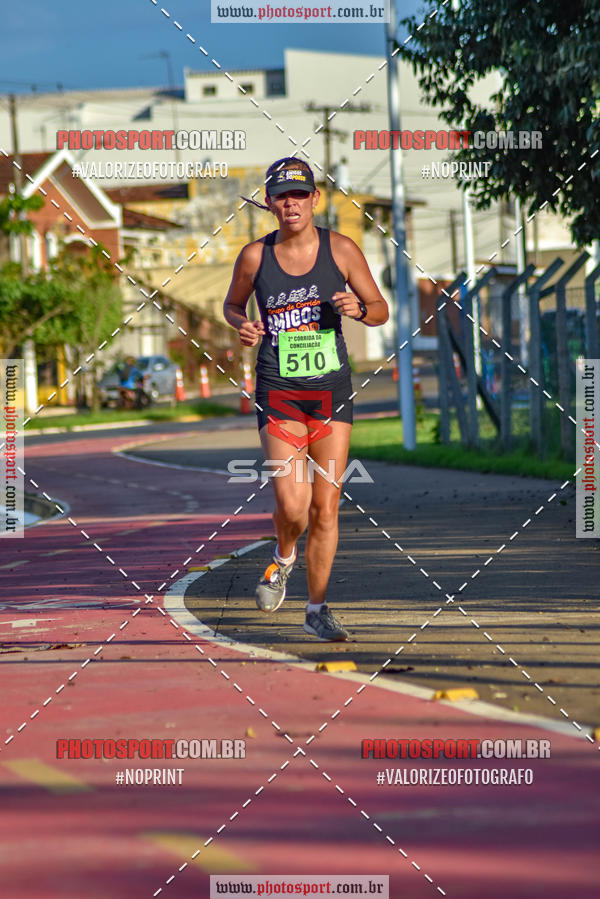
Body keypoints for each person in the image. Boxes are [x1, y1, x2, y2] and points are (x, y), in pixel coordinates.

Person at [223, 157, 388, 641]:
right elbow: (232, 304)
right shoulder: (255, 257)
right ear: (270, 203)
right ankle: (283, 556)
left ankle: (317, 609)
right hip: (279, 393)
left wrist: (359, 309)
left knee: (326, 509)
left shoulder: (341, 250)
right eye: (281, 195)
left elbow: (379, 308)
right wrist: (243, 324)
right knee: (292, 508)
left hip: (331, 394)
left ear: (315, 199)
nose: (291, 203)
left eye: (300, 194)